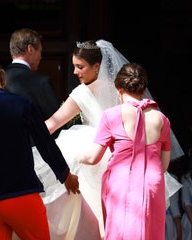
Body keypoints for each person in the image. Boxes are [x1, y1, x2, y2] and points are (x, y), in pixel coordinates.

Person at [31, 40, 184, 239]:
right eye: (74, 66)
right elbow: (162, 161)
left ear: (97, 67)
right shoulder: (127, 89)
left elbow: (52, 124)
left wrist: (22, 132)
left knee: (97, 225)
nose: (75, 72)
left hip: (100, 164)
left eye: (80, 67)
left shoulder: (83, 94)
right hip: (136, 167)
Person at [0, 53, 80, 240]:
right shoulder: (22, 104)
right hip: (22, 195)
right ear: (1, 75)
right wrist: (66, 176)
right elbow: (45, 144)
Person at [75, 62, 171, 239]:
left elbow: (93, 157)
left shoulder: (111, 115)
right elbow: (164, 165)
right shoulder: (162, 119)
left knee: (121, 231)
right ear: (143, 90)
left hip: (122, 181)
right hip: (152, 183)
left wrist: (77, 155)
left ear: (119, 90)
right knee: (151, 231)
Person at [5, 28, 62, 140]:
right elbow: (57, 122)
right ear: (30, 49)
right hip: (31, 152)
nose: (41, 57)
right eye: (40, 51)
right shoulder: (40, 82)